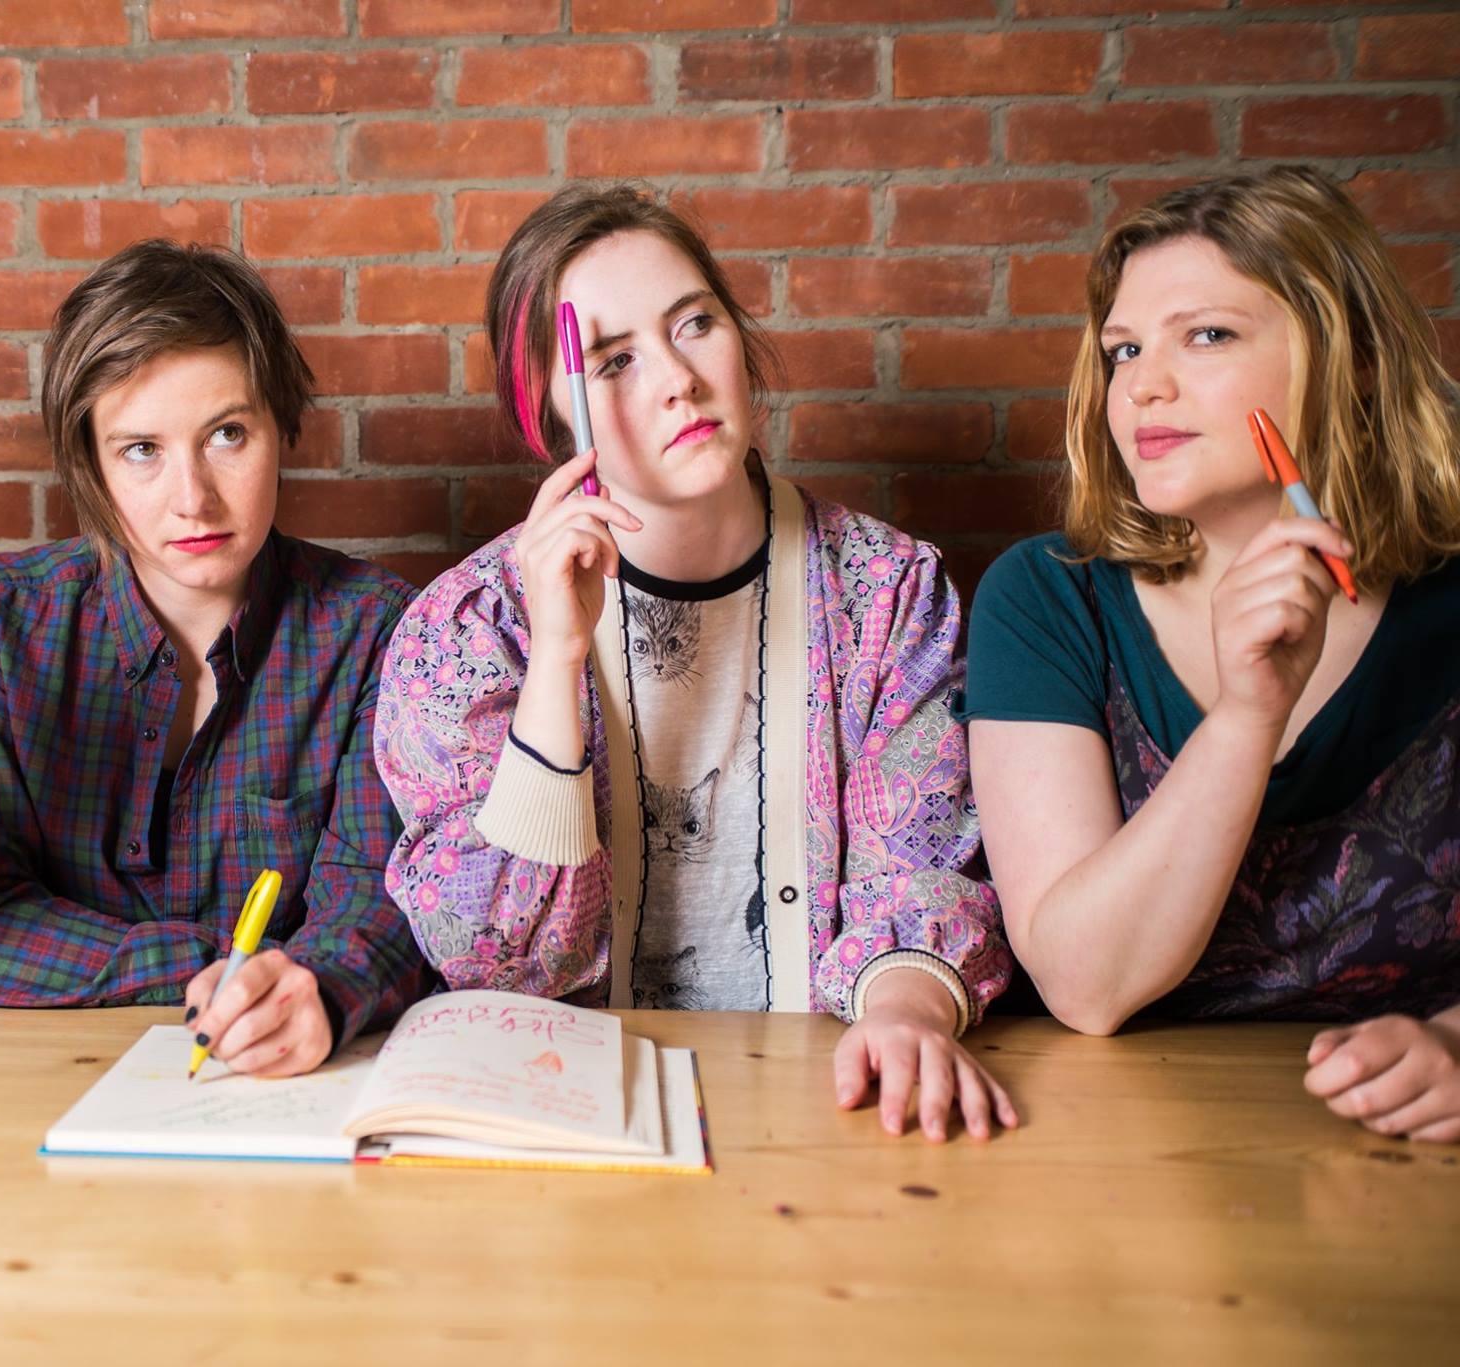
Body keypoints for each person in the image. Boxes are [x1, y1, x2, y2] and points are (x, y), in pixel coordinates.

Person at [376, 184, 1015, 1141]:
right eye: (614, 359)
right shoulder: (469, 630)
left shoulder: (884, 590)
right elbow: (503, 963)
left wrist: (908, 1011)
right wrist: (556, 662)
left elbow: (922, 870)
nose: (678, 378)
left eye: (695, 324)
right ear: (552, 417)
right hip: (570, 1126)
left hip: (827, 1113)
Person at [963, 166, 1460, 1143]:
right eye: (1123, 349)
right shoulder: (1047, 597)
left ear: (1354, 357)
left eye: (1207, 335)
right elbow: (1086, 983)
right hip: (1114, 1146)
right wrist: (1245, 716)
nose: (1143, 384)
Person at [0, 240, 425, 1077]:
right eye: (141, 449)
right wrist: (212, 967)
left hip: (289, 1081)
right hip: (32, 1078)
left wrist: (316, 989)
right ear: (91, 463)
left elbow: (380, 897)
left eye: (227, 434)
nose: (194, 498)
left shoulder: (376, 629)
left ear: (281, 428)